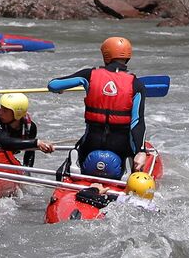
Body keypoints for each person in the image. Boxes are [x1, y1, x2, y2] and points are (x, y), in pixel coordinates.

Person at [47, 36, 149, 172]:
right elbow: (137, 122)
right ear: (128, 57)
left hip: (91, 142)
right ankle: (127, 171)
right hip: (120, 145)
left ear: (105, 55)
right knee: (131, 158)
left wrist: (61, 88)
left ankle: (74, 164)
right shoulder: (136, 84)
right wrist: (141, 151)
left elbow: (53, 85)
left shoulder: (89, 75)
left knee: (74, 155)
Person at [0, 92, 55, 167]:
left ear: (17, 114)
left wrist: (26, 172)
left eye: (5, 110)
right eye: (1, 108)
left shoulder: (30, 128)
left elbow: (30, 152)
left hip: (0, 154)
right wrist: (36, 143)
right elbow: (4, 142)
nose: (0, 112)